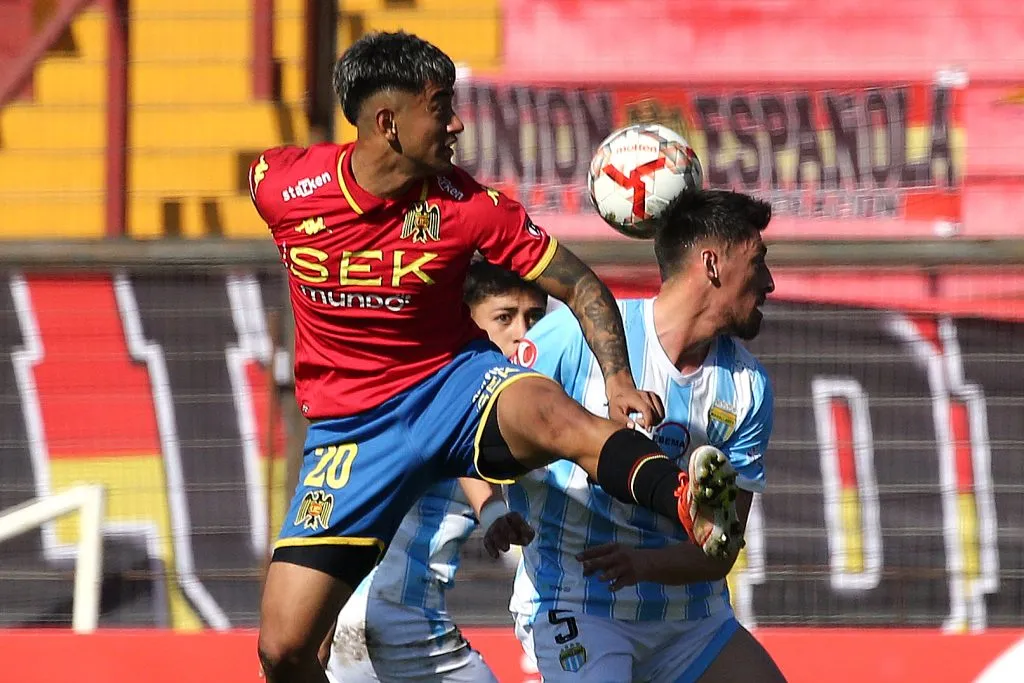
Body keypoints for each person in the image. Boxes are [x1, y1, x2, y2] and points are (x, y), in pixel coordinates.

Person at [249, 31, 740, 683]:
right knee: (282, 649)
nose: (456, 122)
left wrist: (618, 378)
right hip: (353, 429)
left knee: (558, 416)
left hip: (454, 385)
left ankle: (681, 495)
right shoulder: (281, 184)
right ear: (388, 123)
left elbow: (581, 285)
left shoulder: (469, 207)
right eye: (440, 106)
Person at [509, 190, 787, 682]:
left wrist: (643, 564)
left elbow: (718, 550)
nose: (769, 282)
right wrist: (491, 508)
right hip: (577, 601)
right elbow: (477, 420)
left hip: (691, 624)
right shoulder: (575, 339)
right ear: (712, 264)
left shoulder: (748, 388)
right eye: (758, 261)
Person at [324, 259, 547, 683]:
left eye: (534, 317)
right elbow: (459, 440)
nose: (523, 332)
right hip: (394, 618)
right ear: (465, 322)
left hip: (357, 620)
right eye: (504, 317)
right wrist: (492, 510)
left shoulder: (432, 389)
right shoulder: (454, 386)